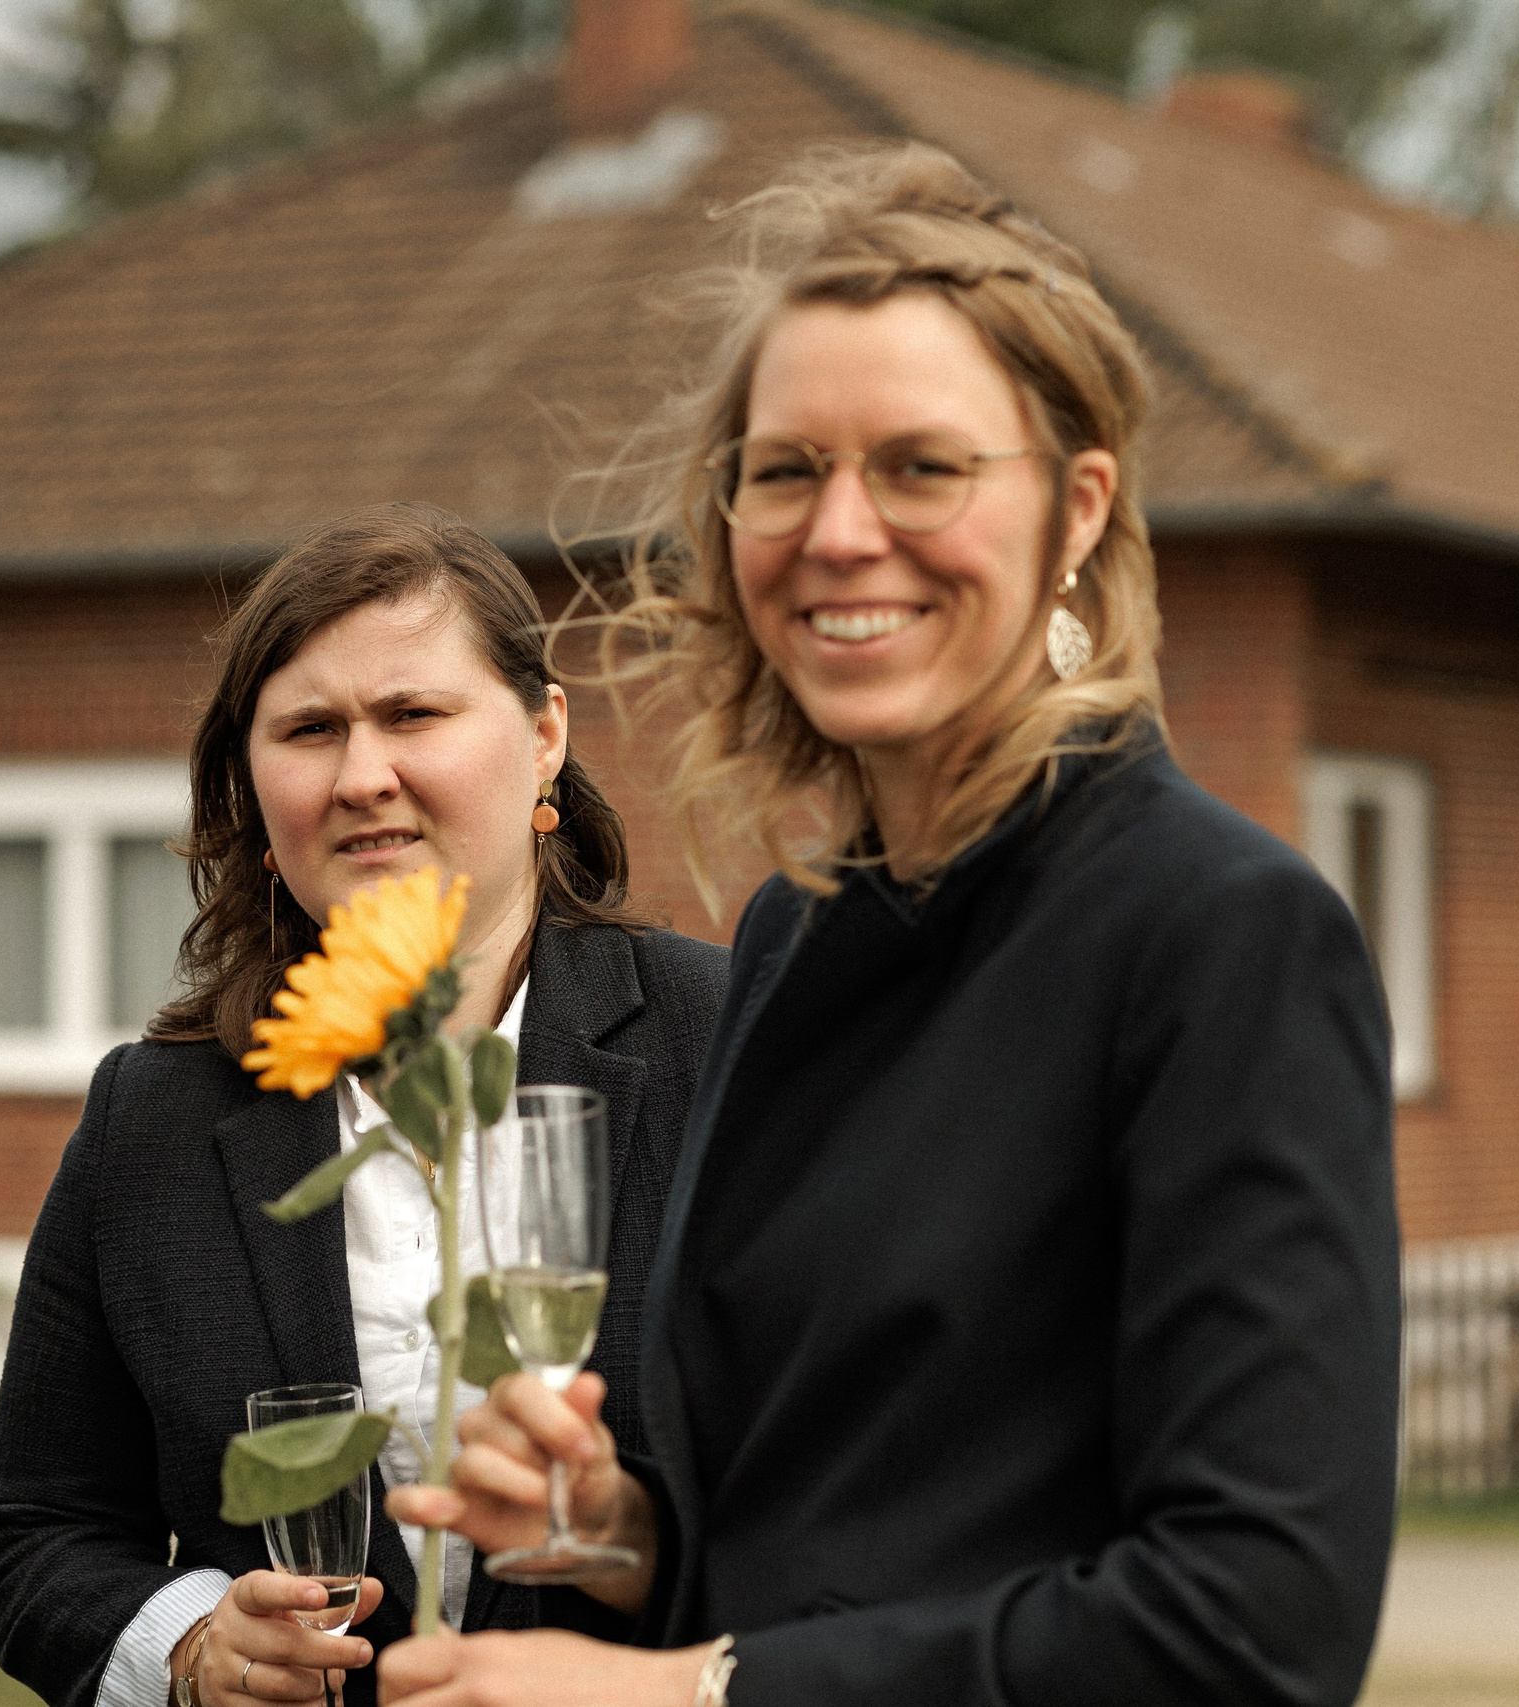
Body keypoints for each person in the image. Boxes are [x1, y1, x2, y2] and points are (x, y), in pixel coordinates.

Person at [379, 145, 1401, 1707]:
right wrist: (630, 1536)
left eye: (922, 466)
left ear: (1077, 507)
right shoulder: (798, 936)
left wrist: (691, 1693)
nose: (840, 532)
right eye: (785, 470)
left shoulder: (1224, 937)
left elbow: (1255, 1623)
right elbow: (844, 1532)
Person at [0, 504, 730, 1707]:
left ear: (542, 737)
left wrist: (633, 1544)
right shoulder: (152, 1117)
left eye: (414, 714)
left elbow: (862, 1520)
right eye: (310, 729)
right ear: (254, 794)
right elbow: (33, 1531)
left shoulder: (730, 1049)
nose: (364, 775)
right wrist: (188, 1645)